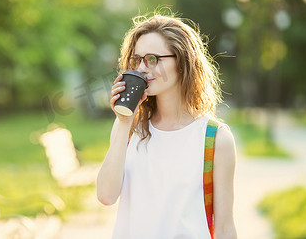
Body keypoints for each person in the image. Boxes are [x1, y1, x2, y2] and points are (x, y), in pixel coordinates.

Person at [96, 13, 237, 239]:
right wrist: (123, 122)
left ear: (182, 63)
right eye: (137, 59)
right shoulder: (130, 127)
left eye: (152, 59)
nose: (142, 68)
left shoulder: (215, 139)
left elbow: (225, 228)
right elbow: (105, 195)